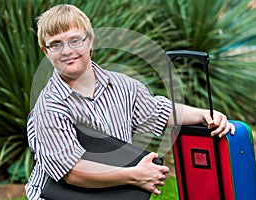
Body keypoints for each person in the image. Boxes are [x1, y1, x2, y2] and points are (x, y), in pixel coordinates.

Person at [25, 4, 235, 200]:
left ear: (90, 40)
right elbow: (72, 173)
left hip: (106, 188)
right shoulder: (49, 105)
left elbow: (158, 112)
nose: (67, 51)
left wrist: (204, 114)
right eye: (55, 44)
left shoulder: (124, 86)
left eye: (75, 40)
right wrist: (134, 175)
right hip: (56, 195)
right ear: (46, 51)